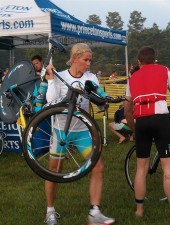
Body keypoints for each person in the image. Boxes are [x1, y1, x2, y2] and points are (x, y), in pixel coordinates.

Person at [44, 43, 115, 225]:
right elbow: (51, 101)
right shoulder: (61, 76)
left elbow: (98, 101)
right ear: (75, 58)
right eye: (86, 59)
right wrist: (51, 80)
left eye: (90, 60)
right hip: (61, 130)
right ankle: (50, 211)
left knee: (97, 166)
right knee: (54, 171)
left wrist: (102, 101)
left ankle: (95, 212)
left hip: (83, 130)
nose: (89, 63)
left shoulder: (91, 78)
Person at [124, 46, 170, 221]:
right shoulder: (165, 71)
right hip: (160, 120)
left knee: (141, 169)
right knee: (168, 169)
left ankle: (139, 211)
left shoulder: (132, 78)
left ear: (139, 62)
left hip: (141, 121)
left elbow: (127, 111)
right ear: (155, 59)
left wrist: (134, 130)